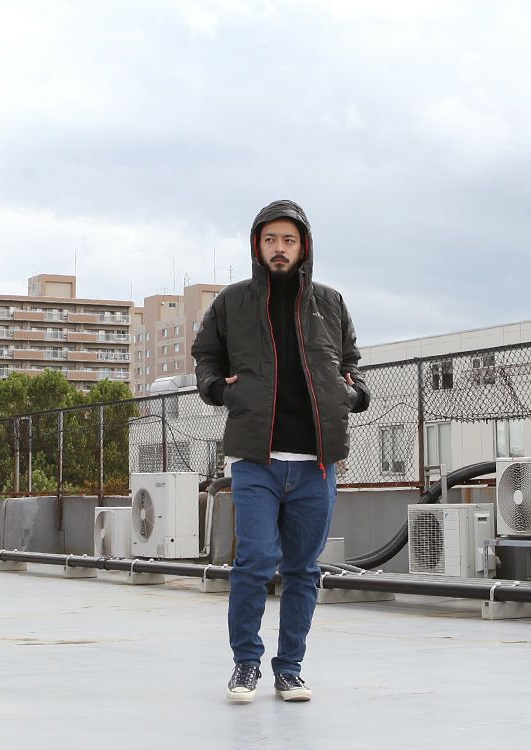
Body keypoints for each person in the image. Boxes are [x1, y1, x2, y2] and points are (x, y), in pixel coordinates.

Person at [191, 199, 370, 703]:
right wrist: (217, 389)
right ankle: (245, 664)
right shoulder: (233, 302)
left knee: (303, 570)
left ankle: (289, 668)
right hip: (256, 459)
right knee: (254, 562)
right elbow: (205, 356)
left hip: (317, 462)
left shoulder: (330, 303)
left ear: (303, 247)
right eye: (270, 239)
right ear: (257, 246)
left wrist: (354, 392)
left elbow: (351, 360)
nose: (279, 248)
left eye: (288, 240)